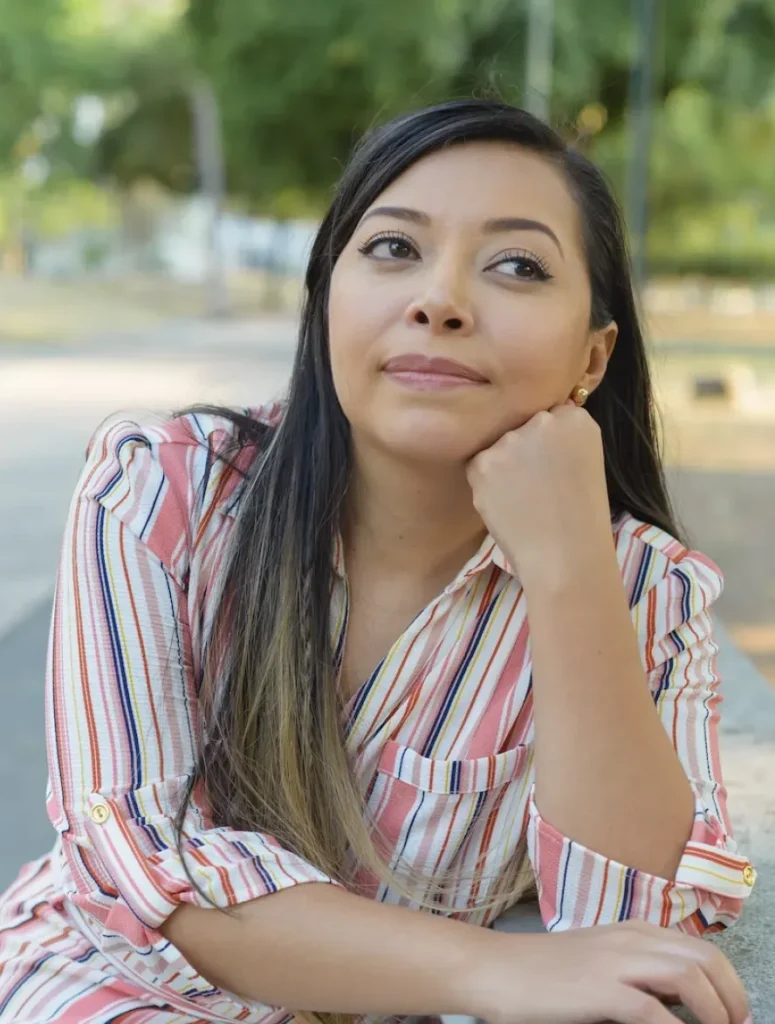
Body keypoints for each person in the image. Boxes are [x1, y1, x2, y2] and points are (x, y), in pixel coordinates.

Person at [0, 100, 756, 1024]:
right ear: (327, 300)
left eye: (516, 265)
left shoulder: (646, 593)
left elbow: (640, 927)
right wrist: (489, 971)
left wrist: (568, 576)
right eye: (394, 249)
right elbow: (150, 866)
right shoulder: (164, 493)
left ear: (592, 358)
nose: (438, 300)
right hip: (105, 988)